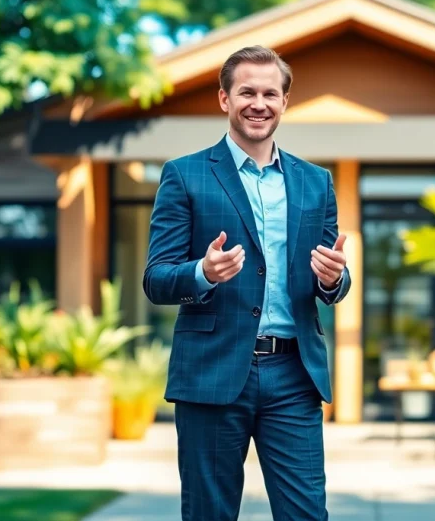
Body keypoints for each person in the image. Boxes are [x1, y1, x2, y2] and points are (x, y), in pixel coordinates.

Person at [142, 45, 351, 521]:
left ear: (285, 102)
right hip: (212, 372)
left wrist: (335, 278)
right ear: (224, 99)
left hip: (293, 373)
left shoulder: (316, 182)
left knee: (306, 514)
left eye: (270, 94)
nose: (259, 104)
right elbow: (156, 278)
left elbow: (330, 274)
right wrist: (203, 272)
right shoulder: (185, 175)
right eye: (247, 92)